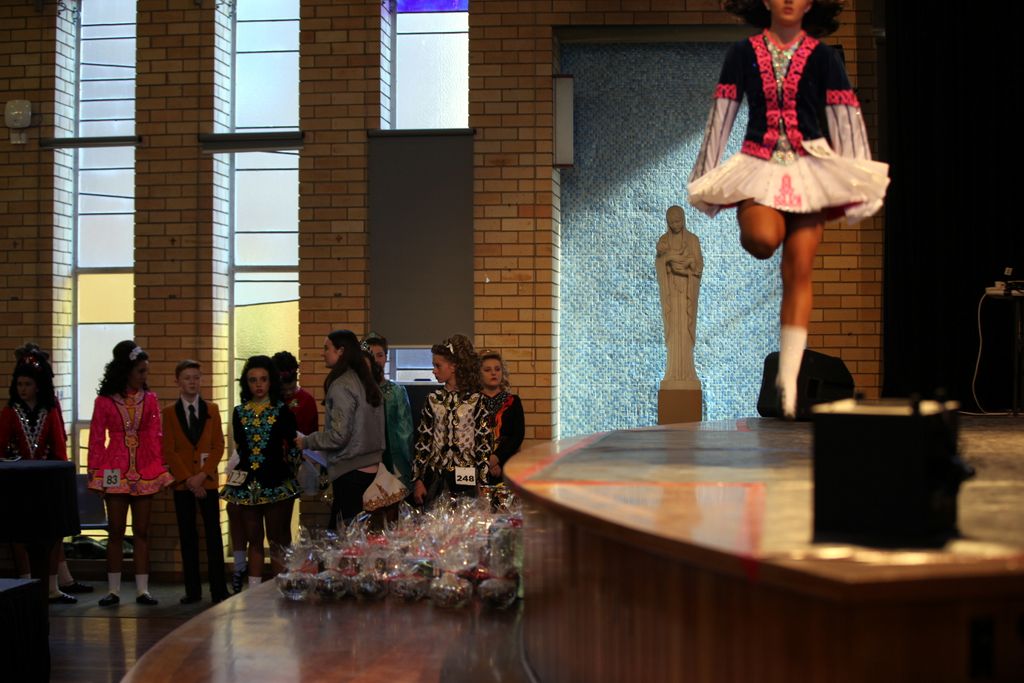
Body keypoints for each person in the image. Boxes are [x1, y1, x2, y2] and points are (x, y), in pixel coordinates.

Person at [687, 0, 889, 418]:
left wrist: (856, 172)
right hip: (761, 164)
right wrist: (707, 174)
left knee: (798, 269)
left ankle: (789, 379)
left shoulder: (823, 57)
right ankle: (755, 212)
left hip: (809, 167)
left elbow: (845, 115)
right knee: (762, 239)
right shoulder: (743, 54)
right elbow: (722, 114)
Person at [88, 340, 174, 606]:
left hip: (144, 469)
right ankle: (113, 590)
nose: (144, 376)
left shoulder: (150, 399)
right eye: (140, 371)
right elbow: (96, 438)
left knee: (141, 531)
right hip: (114, 469)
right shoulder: (104, 401)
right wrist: (95, 471)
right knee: (115, 531)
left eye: (145, 371)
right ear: (126, 371)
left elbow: (156, 436)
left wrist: (160, 468)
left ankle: (142, 590)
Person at [0, 344, 78, 603]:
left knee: (52, 534)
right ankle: (24, 583)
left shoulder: (50, 410)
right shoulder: (10, 411)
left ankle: (52, 586)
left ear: (38, 386)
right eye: (19, 384)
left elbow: (58, 447)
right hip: (17, 481)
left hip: (46, 481)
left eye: (28, 384)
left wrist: (61, 475)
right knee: (18, 534)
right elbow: (1, 445)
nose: (23, 389)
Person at [221, 356, 301, 584]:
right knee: (254, 539)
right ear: (246, 383)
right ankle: (254, 593)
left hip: (276, 482)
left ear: (271, 381)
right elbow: (241, 448)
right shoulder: (239, 412)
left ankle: (281, 590)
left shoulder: (282, 410)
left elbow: (293, 445)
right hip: (248, 484)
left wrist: (295, 471)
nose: (258, 385)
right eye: (253, 380)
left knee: (277, 539)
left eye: (263, 379)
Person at [295, 330, 384, 530]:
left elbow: (338, 436)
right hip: (370, 465)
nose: (322, 353)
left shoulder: (342, 385)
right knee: (355, 531)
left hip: (351, 468)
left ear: (341, 351)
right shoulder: (365, 380)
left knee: (343, 534)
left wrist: (307, 441)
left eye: (327, 348)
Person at [162, 360, 229, 605]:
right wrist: (188, 479)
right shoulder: (169, 413)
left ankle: (219, 589)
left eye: (196, 377)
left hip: (206, 482)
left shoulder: (212, 409)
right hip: (183, 484)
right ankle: (192, 591)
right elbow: (169, 450)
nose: (192, 382)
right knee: (187, 535)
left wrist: (202, 475)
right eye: (187, 378)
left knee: (213, 535)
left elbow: (218, 446)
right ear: (177, 382)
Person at [411, 334, 492, 504]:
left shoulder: (476, 400)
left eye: (437, 365)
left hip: (467, 475)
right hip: (436, 475)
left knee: (465, 516)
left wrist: (482, 481)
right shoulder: (433, 399)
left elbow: (483, 444)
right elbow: (423, 442)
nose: (434, 370)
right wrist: (418, 480)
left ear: (453, 366)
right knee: (435, 517)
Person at [363, 334, 414, 488]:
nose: (376, 360)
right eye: (371, 356)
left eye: (380, 355)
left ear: (386, 357)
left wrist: (412, 466)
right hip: (362, 464)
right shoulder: (357, 391)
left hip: (394, 464)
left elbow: (406, 434)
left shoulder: (397, 391)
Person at [478, 349, 525, 483]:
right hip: (478, 465)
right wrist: (486, 462)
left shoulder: (513, 401)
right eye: (487, 370)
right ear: (479, 374)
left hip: (506, 463)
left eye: (497, 369)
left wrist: (496, 459)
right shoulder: (472, 402)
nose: (493, 373)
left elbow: (517, 436)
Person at [272, 351, 318, 435]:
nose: (288, 393)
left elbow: (312, 436)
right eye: (283, 390)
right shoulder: (267, 399)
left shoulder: (307, 401)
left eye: (292, 388)